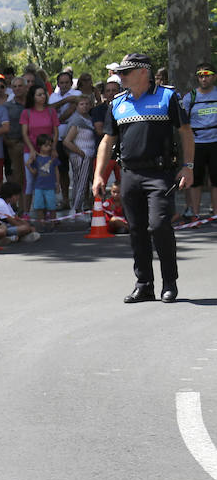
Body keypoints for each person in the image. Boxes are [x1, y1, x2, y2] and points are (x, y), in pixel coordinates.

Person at [92, 52, 196, 303]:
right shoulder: (117, 103)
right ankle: (144, 285)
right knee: (137, 230)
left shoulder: (167, 96)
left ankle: (169, 282)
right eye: (120, 73)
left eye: (126, 72)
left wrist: (188, 166)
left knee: (159, 225)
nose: (121, 77)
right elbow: (107, 140)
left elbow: (185, 131)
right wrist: (98, 175)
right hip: (129, 174)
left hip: (159, 173)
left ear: (143, 72)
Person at [182, 61, 216, 217]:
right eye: (200, 76)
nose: (204, 79)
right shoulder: (190, 97)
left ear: (214, 77)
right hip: (197, 144)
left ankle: (215, 213)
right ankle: (195, 214)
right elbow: (184, 124)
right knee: (195, 180)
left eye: (207, 75)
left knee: (215, 180)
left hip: (215, 142)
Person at [61, 93, 99, 213]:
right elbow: (67, 141)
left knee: (87, 182)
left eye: (87, 104)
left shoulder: (89, 119)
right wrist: (81, 152)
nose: (85, 106)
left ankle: (85, 205)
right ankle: (76, 208)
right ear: (77, 106)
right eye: (81, 104)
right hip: (81, 156)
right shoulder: (76, 121)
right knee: (80, 183)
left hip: (89, 155)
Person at [27, 135, 61, 220]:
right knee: (39, 207)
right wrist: (28, 166)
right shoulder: (36, 158)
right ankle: (41, 222)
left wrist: (57, 183)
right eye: (46, 145)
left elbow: (57, 171)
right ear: (39, 146)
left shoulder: (53, 158)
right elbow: (34, 173)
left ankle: (53, 222)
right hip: (39, 187)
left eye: (50, 145)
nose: (48, 148)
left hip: (50, 187)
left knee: (52, 207)